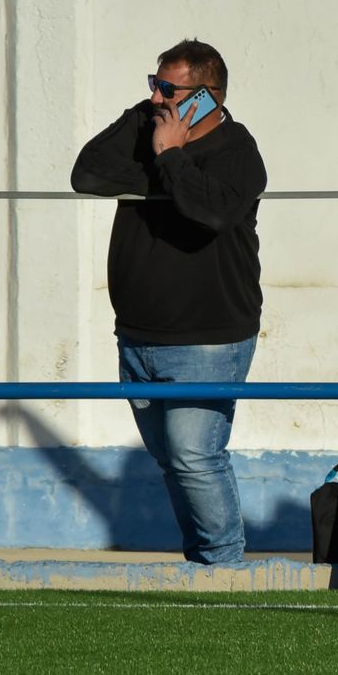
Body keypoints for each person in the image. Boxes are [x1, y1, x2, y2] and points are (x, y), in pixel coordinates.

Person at [70, 39, 265, 564]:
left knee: (195, 456)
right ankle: (200, 561)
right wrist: (149, 129)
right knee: (170, 459)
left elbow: (210, 214)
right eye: (152, 84)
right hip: (137, 334)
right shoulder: (146, 125)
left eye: (166, 89)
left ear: (206, 96)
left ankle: (225, 568)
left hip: (209, 336)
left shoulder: (238, 151)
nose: (156, 98)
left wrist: (172, 156)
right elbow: (85, 173)